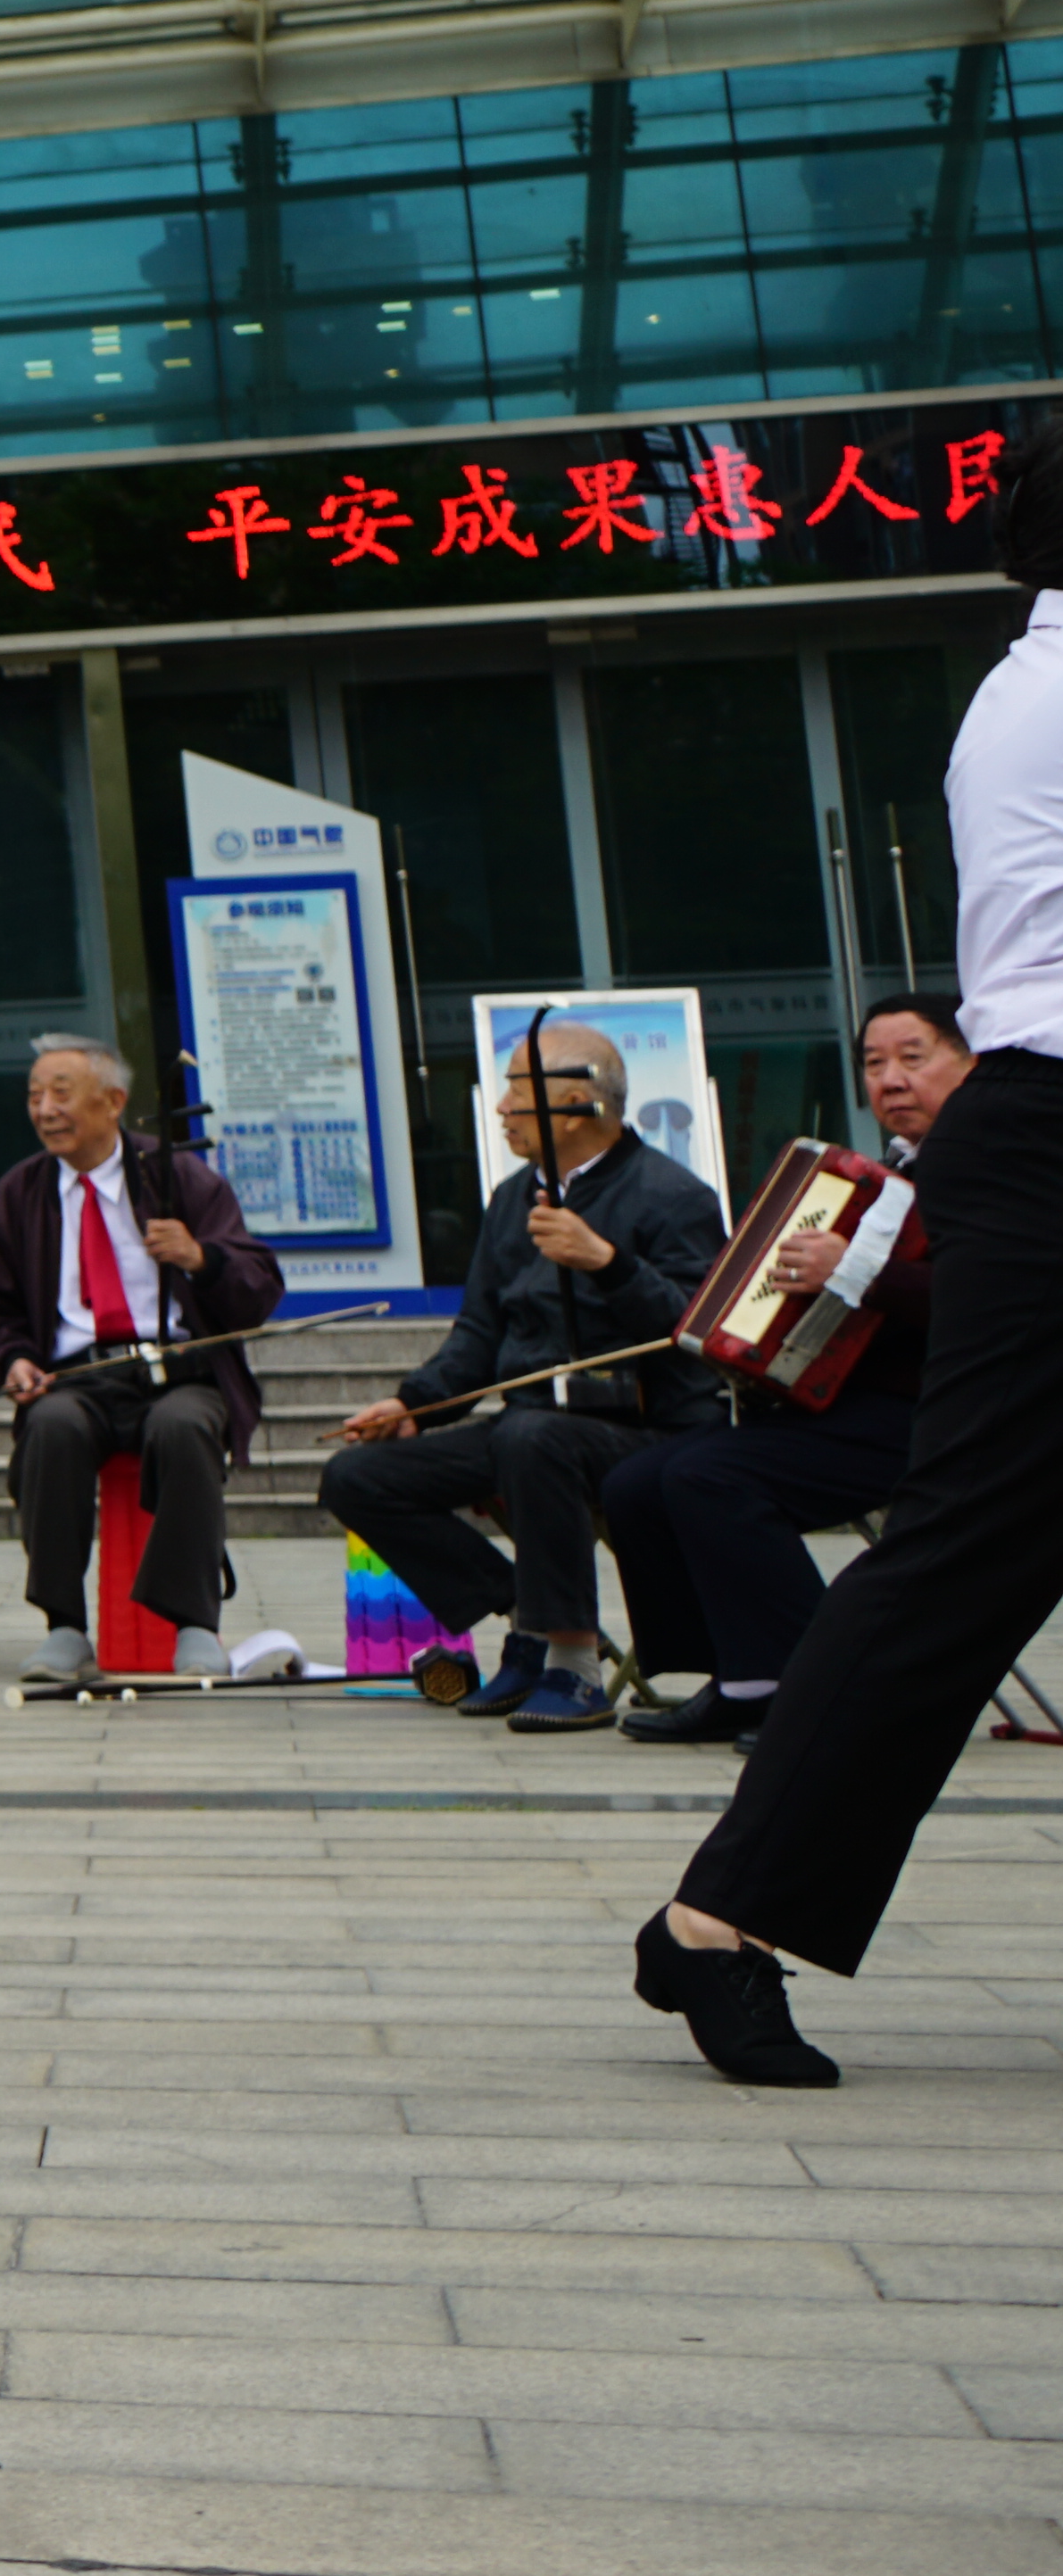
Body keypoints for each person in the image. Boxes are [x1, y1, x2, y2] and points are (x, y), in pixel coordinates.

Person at [652, 449, 1063, 2079]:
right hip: (1048, 1141)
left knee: (969, 1546)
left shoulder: (1018, 683)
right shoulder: (1045, 689)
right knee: (968, 1549)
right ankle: (715, 1918)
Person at [327, 1022, 725, 1732]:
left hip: (644, 1430)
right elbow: (479, 1335)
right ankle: (531, 1618)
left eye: (517, 1090)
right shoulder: (513, 1199)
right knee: (359, 1477)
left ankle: (573, 1668)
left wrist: (609, 1263)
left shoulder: (672, 1195)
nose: (502, 1108)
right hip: (528, 1431)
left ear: (577, 1101)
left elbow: (702, 1330)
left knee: (534, 1436)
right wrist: (416, 1403)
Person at [613, 993, 965, 1753]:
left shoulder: (995, 1172)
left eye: (914, 1057)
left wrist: (856, 1274)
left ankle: (818, 1688)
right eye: (874, 1064)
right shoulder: (877, 1180)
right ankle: (740, 1675)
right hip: (847, 1403)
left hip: (943, 1414)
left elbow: (1000, 1296)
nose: (891, 1079)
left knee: (712, 1477)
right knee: (636, 1485)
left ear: (972, 1067)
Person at [0, 1034, 279, 1684]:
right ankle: (65, 1628)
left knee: (184, 1428)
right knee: (50, 1429)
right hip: (78, 1375)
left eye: (60, 1093)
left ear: (113, 1102)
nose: (44, 1109)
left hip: (178, 1370)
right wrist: (14, 1360)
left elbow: (259, 1286)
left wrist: (200, 1257)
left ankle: (194, 1622)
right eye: (34, 1095)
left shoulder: (178, 1175)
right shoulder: (19, 1193)